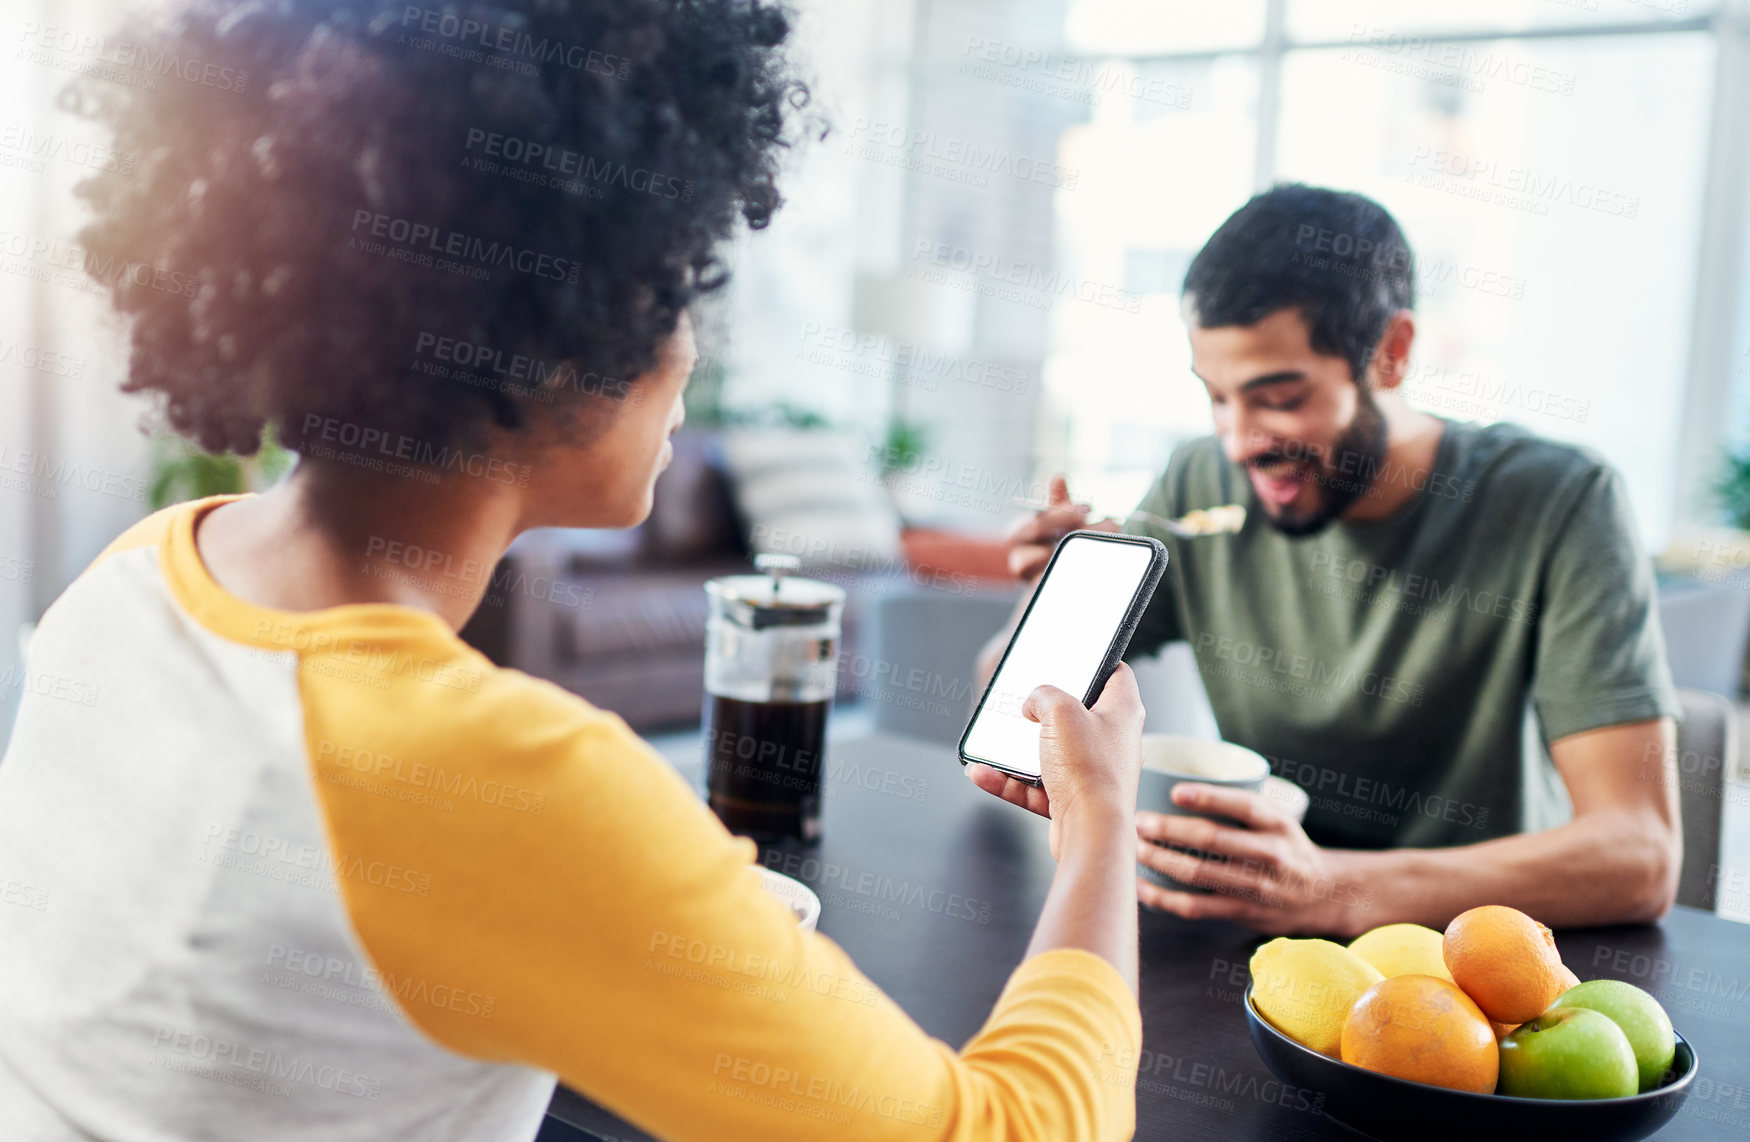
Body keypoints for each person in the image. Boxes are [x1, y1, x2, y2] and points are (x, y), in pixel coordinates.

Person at [0, 2, 1146, 1139]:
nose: (690, 344)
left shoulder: (137, 571)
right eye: (679, 282)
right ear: (567, 336)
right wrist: (1100, 815)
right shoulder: (499, 779)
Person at [976, 184, 1682, 938]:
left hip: (1475, 968)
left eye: (1278, 398)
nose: (1240, 441)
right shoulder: (1200, 482)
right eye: (1216, 398)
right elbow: (1013, 705)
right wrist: (1054, 603)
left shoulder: (1559, 501)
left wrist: (1331, 889)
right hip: (1254, 950)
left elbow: (1638, 854)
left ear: (1392, 353)